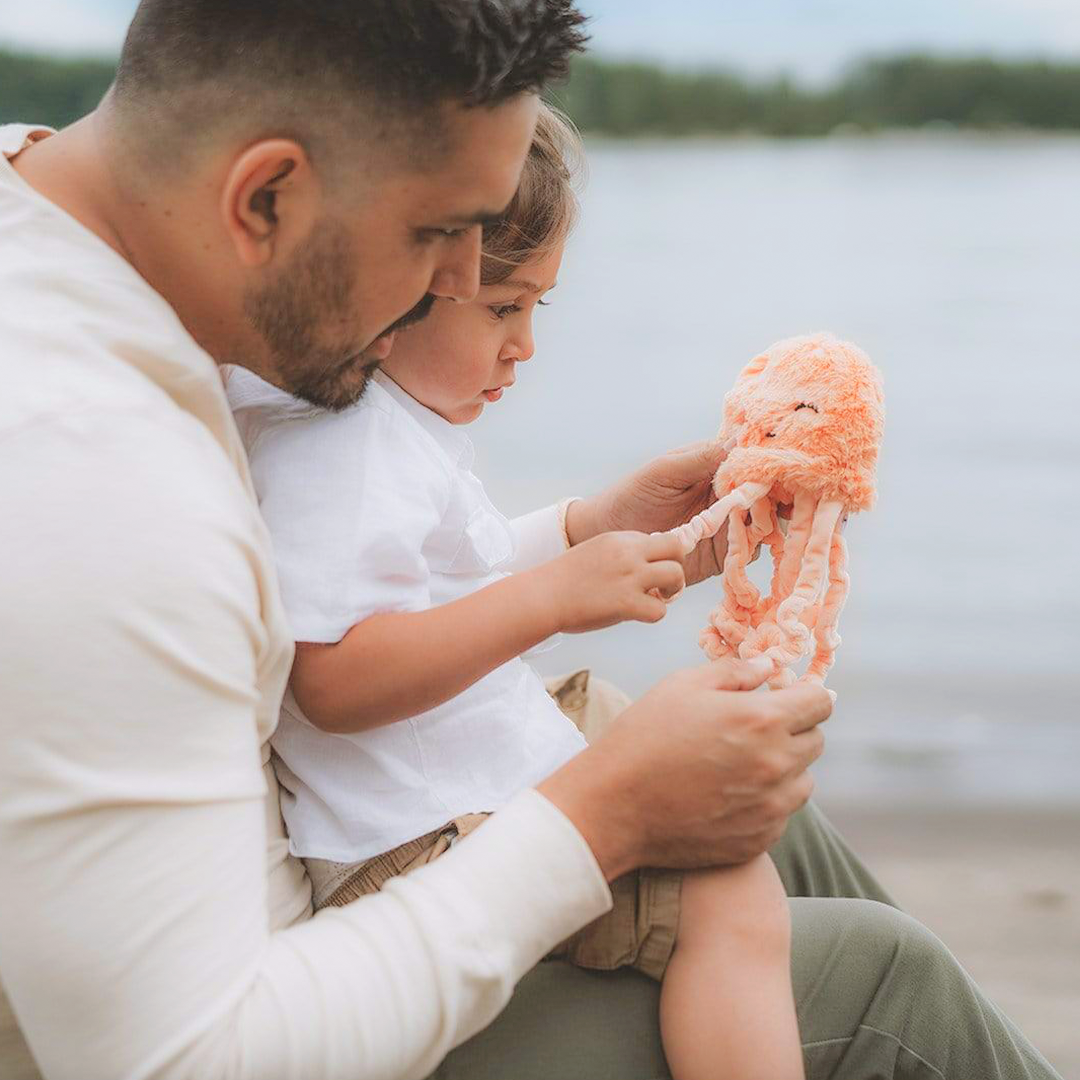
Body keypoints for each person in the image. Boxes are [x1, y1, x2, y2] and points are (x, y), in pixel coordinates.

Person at [0, 3, 1062, 1079]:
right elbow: (185, 1059)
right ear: (264, 194)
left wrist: (576, 536)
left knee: (765, 818)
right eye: (435, 233)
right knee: (886, 975)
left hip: (343, 874)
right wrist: (606, 814)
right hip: (307, 985)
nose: (458, 288)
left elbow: (350, 584)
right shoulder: (88, 484)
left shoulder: (68, 217)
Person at [226, 103, 804, 1080]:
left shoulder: (374, 423)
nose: (526, 344)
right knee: (733, 898)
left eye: (539, 307)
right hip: (414, 847)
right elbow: (330, 676)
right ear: (399, 282)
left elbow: (433, 582)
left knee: (715, 800)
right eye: (503, 307)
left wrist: (597, 534)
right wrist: (557, 597)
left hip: (430, 812)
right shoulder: (348, 452)